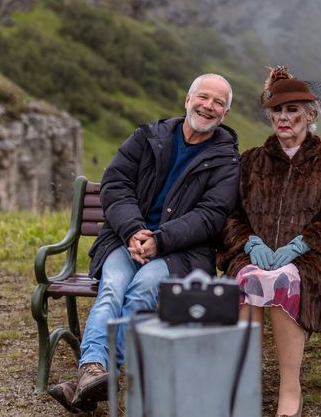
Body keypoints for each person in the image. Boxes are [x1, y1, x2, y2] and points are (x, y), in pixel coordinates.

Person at [48, 73, 240, 412]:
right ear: (187, 99)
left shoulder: (226, 160)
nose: (208, 106)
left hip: (179, 254)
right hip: (125, 240)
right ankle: (93, 372)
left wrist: (160, 241)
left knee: (142, 290)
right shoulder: (148, 137)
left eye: (218, 103)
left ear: (225, 112)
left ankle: (90, 376)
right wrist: (133, 229)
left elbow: (211, 216)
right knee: (112, 287)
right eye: (203, 97)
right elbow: (115, 183)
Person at [217, 66, 321, 417]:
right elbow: (232, 215)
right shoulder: (251, 161)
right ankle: (245, 386)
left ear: (310, 115)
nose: (284, 117)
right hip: (256, 255)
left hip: (316, 259)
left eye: (292, 110)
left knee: (282, 282)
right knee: (246, 281)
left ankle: (289, 392)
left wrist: (299, 245)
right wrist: (251, 244)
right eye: (277, 111)